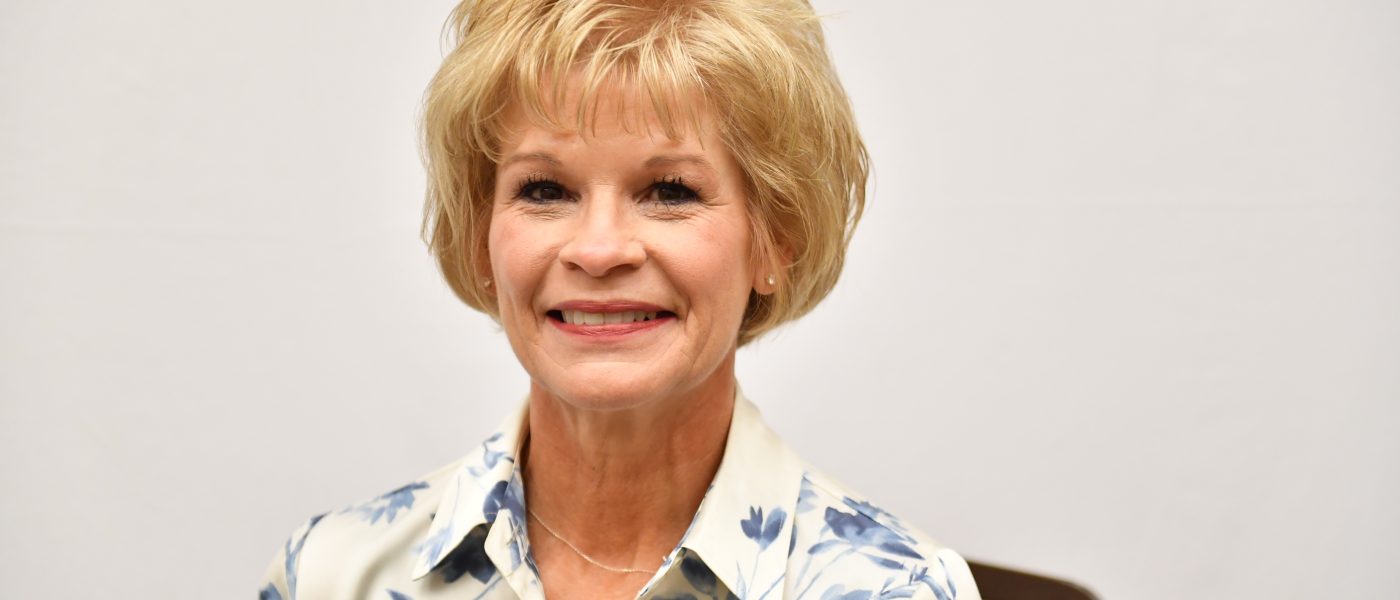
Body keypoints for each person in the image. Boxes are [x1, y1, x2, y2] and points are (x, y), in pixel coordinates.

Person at [260, 1, 981, 598]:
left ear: (775, 240)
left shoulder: (898, 589)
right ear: (480, 237)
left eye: (669, 191)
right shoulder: (330, 576)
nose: (599, 249)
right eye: (545, 190)